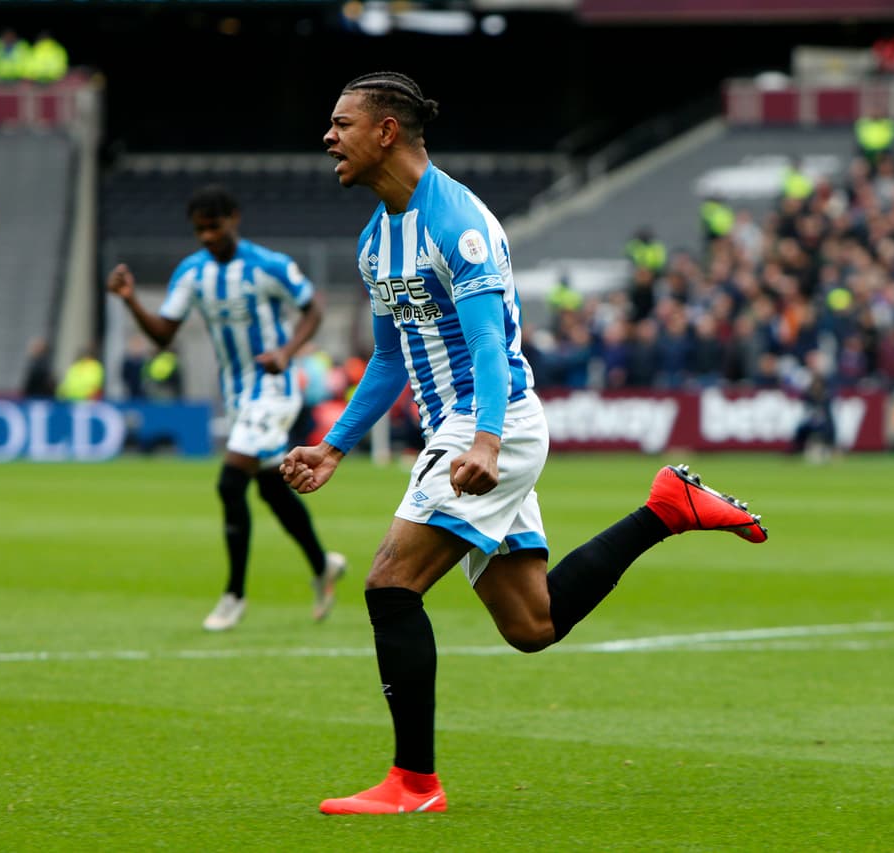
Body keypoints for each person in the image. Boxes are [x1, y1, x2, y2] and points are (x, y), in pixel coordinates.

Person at [281, 71, 768, 816]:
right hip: (470, 430)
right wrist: (336, 445)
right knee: (532, 623)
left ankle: (414, 783)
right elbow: (388, 357)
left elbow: (487, 346)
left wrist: (483, 441)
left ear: (386, 131)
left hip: (489, 422)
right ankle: (667, 508)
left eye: (341, 123)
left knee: (389, 583)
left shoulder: (459, 224)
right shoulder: (377, 239)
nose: (328, 136)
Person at [107, 184, 346, 630]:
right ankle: (322, 564)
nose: (207, 237)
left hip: (274, 387)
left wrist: (288, 351)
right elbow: (163, 334)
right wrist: (131, 300)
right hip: (237, 395)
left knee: (229, 480)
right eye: (199, 230)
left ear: (233, 219)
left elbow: (313, 307)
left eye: (214, 227)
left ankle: (234, 595)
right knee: (272, 489)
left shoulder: (268, 265)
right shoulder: (192, 273)